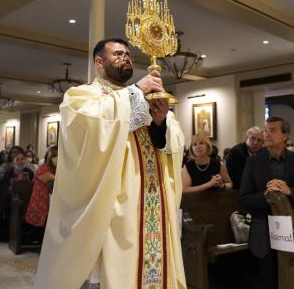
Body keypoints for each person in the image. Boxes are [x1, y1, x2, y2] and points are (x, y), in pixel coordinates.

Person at [34, 38, 186, 289]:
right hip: (113, 206)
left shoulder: (140, 98)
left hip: (149, 202)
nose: (126, 58)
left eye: (128, 54)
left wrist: (160, 122)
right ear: (99, 62)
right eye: (118, 54)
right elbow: (92, 129)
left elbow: (171, 144)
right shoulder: (81, 96)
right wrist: (137, 90)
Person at [240, 117, 294, 289]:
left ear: (285, 135)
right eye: (266, 130)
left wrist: (289, 191)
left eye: (273, 130)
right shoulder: (253, 161)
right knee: (269, 281)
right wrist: (266, 194)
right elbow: (244, 198)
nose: (267, 134)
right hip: (263, 229)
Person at [25, 145, 57, 242]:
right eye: (55, 155)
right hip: (41, 201)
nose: (57, 158)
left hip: (52, 200)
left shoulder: (56, 169)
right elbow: (56, 181)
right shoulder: (43, 168)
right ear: (49, 156)